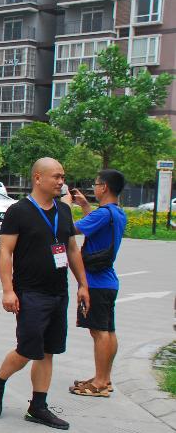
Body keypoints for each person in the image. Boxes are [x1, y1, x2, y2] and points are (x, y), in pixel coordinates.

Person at [0, 157, 90, 431]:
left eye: (62, 176)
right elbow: (5, 251)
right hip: (30, 291)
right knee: (27, 349)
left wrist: (83, 284)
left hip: (58, 291)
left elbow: (72, 249)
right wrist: (8, 290)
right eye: (56, 176)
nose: (61, 181)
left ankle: (38, 407)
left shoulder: (64, 210)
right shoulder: (18, 211)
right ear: (38, 178)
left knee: (48, 351)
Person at [66, 170, 127, 398]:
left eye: (96, 184)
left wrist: (66, 206)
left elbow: (71, 229)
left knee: (99, 332)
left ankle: (99, 383)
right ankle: (105, 378)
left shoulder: (102, 214)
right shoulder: (116, 213)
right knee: (108, 331)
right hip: (108, 280)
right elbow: (96, 226)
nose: (94, 187)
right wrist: (84, 206)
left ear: (105, 187)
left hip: (96, 282)